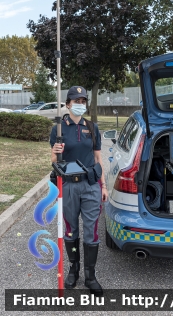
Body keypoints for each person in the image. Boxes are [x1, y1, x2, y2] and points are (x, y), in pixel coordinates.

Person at [50, 86, 108, 294]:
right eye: (76, 101)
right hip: (69, 186)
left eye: (83, 101)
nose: (80, 104)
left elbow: (98, 159)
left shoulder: (92, 127)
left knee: (91, 231)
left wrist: (103, 186)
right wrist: (55, 153)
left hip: (91, 184)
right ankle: (73, 269)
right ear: (67, 104)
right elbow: (53, 161)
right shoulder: (59, 128)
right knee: (70, 230)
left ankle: (90, 276)